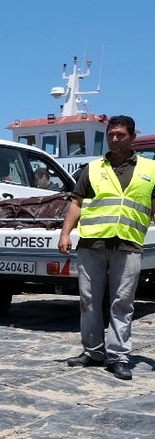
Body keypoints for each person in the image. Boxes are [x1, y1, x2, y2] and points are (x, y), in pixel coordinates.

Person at [59, 115, 155, 380]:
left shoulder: (151, 169)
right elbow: (76, 203)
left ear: (133, 137)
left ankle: (118, 356)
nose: (114, 139)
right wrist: (65, 233)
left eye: (120, 135)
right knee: (88, 301)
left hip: (129, 244)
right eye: (110, 134)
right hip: (92, 243)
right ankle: (92, 352)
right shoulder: (92, 168)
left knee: (122, 303)